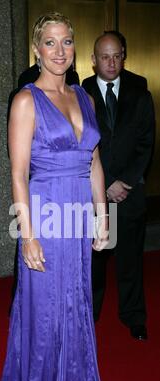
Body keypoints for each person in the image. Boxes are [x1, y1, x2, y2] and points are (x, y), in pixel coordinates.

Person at [0, 12, 109, 381]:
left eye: (66, 42)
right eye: (49, 43)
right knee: (47, 311)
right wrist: (26, 235)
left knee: (77, 306)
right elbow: (17, 174)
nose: (59, 51)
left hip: (78, 219)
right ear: (36, 50)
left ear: (74, 48)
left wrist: (103, 216)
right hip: (45, 216)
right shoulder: (26, 100)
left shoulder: (85, 97)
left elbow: (94, 163)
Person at [82, 33, 155, 340]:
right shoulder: (78, 91)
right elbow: (81, 143)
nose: (111, 63)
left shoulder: (140, 88)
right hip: (94, 191)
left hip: (130, 191)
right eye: (104, 57)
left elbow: (146, 142)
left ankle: (134, 316)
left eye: (117, 56)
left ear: (123, 55)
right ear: (93, 59)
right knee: (94, 261)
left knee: (130, 259)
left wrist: (124, 182)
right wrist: (107, 182)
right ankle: (89, 316)